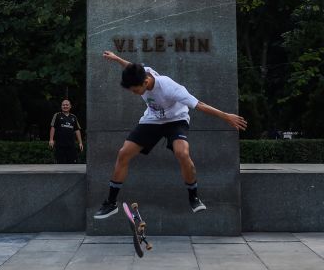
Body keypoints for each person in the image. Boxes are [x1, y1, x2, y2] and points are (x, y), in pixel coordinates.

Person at [94, 50, 246, 218]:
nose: (134, 93)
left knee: (182, 153)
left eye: (136, 90)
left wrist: (226, 116)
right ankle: (111, 202)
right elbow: (130, 66)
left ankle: (194, 197)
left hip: (176, 120)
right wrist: (116, 59)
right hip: (152, 119)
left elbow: (199, 104)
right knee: (123, 153)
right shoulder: (142, 73)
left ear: (145, 82)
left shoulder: (169, 87)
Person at [48, 99, 84, 164]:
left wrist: (80, 143)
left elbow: (77, 130)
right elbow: (53, 127)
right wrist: (51, 139)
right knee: (60, 163)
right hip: (60, 145)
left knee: (72, 164)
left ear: (70, 106)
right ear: (61, 106)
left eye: (67, 105)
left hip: (71, 145)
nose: (65, 106)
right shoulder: (57, 115)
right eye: (63, 105)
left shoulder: (74, 117)